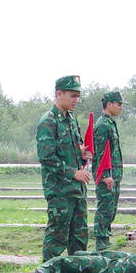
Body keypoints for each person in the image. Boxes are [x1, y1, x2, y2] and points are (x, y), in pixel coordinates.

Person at [37, 76, 91, 262]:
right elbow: (47, 158)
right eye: (72, 95)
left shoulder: (71, 120)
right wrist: (73, 173)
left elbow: (74, 147)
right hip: (60, 190)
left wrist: (82, 153)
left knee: (79, 236)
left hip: (77, 190)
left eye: (78, 96)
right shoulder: (48, 122)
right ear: (59, 94)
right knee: (57, 236)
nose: (76, 100)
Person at [92, 91, 124, 251]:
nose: (121, 107)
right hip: (107, 177)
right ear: (109, 104)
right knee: (105, 207)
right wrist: (105, 176)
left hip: (114, 175)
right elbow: (100, 153)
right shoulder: (103, 125)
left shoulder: (109, 123)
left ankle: (105, 237)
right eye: (118, 104)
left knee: (111, 208)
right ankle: (101, 242)